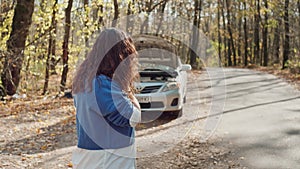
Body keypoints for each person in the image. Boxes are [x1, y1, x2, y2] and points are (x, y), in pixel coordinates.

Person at [71, 28, 141, 169]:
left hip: (90, 158)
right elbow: (134, 117)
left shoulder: (85, 80)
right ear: (120, 57)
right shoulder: (104, 85)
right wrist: (128, 91)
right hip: (109, 160)